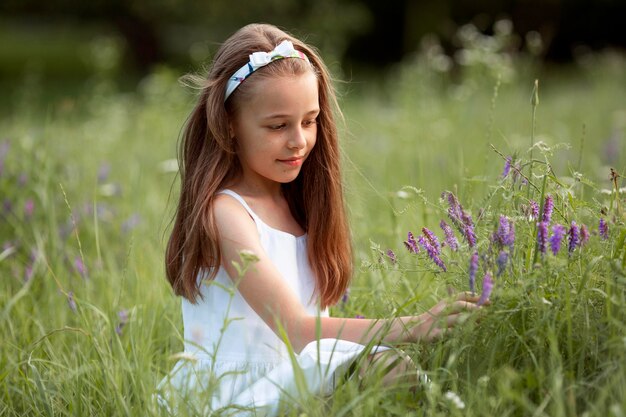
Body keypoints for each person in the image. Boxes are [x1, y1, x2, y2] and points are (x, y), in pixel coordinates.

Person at [156, 23, 482, 416]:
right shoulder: (227, 213)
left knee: (393, 372)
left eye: (309, 121)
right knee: (385, 363)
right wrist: (414, 325)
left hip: (304, 377)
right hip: (237, 395)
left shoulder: (302, 208)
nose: (298, 141)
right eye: (278, 126)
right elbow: (295, 329)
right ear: (229, 124)